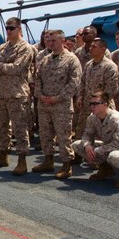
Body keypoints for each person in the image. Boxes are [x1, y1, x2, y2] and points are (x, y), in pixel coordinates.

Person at [0, 18, 37, 175]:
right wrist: (4, 66)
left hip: (17, 94)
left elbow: (16, 68)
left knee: (20, 127)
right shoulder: (1, 48)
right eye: (7, 28)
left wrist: (1, 66)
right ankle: (2, 154)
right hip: (1, 93)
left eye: (12, 28)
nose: (8, 31)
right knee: (1, 126)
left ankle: (22, 160)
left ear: (19, 29)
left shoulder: (25, 48)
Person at [32, 30, 82, 179]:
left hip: (61, 106)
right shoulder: (45, 59)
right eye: (48, 40)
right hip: (44, 104)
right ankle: (48, 160)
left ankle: (66, 165)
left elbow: (74, 83)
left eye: (53, 40)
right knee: (45, 134)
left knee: (63, 136)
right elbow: (38, 78)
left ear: (62, 41)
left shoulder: (71, 60)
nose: (50, 43)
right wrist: (40, 95)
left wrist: (57, 98)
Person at [73, 91, 119, 188]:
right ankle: (105, 168)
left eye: (95, 104)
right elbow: (87, 134)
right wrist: (87, 145)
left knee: (114, 156)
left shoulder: (116, 119)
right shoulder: (92, 117)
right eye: (91, 104)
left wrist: (98, 150)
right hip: (107, 146)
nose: (92, 107)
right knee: (77, 145)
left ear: (105, 105)